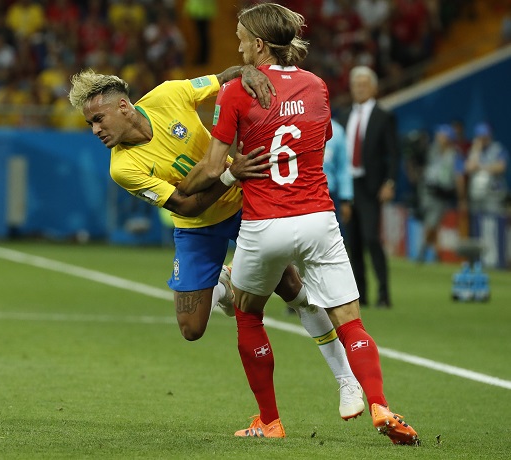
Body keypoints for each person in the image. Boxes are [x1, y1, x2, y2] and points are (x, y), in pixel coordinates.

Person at [178, 3, 418, 444]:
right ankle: (380, 403)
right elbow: (319, 140)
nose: (237, 46)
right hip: (317, 219)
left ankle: (269, 421)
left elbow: (213, 169)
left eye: (240, 38)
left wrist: (184, 189)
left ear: (257, 44)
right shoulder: (318, 86)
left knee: (248, 313)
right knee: (350, 320)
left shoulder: (236, 92)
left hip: (265, 223)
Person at [69, 65, 365, 421]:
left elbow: (226, 79)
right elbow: (185, 204)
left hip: (245, 206)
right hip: (196, 225)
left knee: (292, 289)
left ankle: (347, 381)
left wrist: (248, 72)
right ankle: (225, 285)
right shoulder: (122, 168)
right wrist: (228, 173)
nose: (96, 130)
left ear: (124, 107)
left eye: (98, 119)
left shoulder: (169, 94)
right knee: (191, 330)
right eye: (90, 124)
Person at [343, 66, 398, 308]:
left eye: (364, 84)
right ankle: (361, 296)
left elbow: (394, 155)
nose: (360, 88)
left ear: (374, 87)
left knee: (371, 238)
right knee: (352, 243)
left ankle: (384, 294)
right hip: (347, 184)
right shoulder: (343, 116)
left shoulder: (384, 116)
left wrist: (390, 182)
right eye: (356, 84)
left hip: (370, 185)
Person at [417, 124, 465, 262]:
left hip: (441, 194)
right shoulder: (432, 150)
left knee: (432, 223)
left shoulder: (455, 155)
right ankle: (434, 252)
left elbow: (459, 176)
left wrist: (461, 198)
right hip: (427, 191)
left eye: (441, 135)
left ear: (448, 138)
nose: (438, 138)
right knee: (430, 223)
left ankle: (423, 251)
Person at [465, 122, 508, 217]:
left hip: (494, 194)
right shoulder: (474, 150)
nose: (482, 139)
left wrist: (481, 166)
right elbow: (469, 167)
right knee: (478, 223)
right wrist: (476, 150)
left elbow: (501, 167)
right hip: (477, 195)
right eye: (479, 136)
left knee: (494, 221)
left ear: (489, 135)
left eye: (484, 136)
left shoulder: (497, 148)